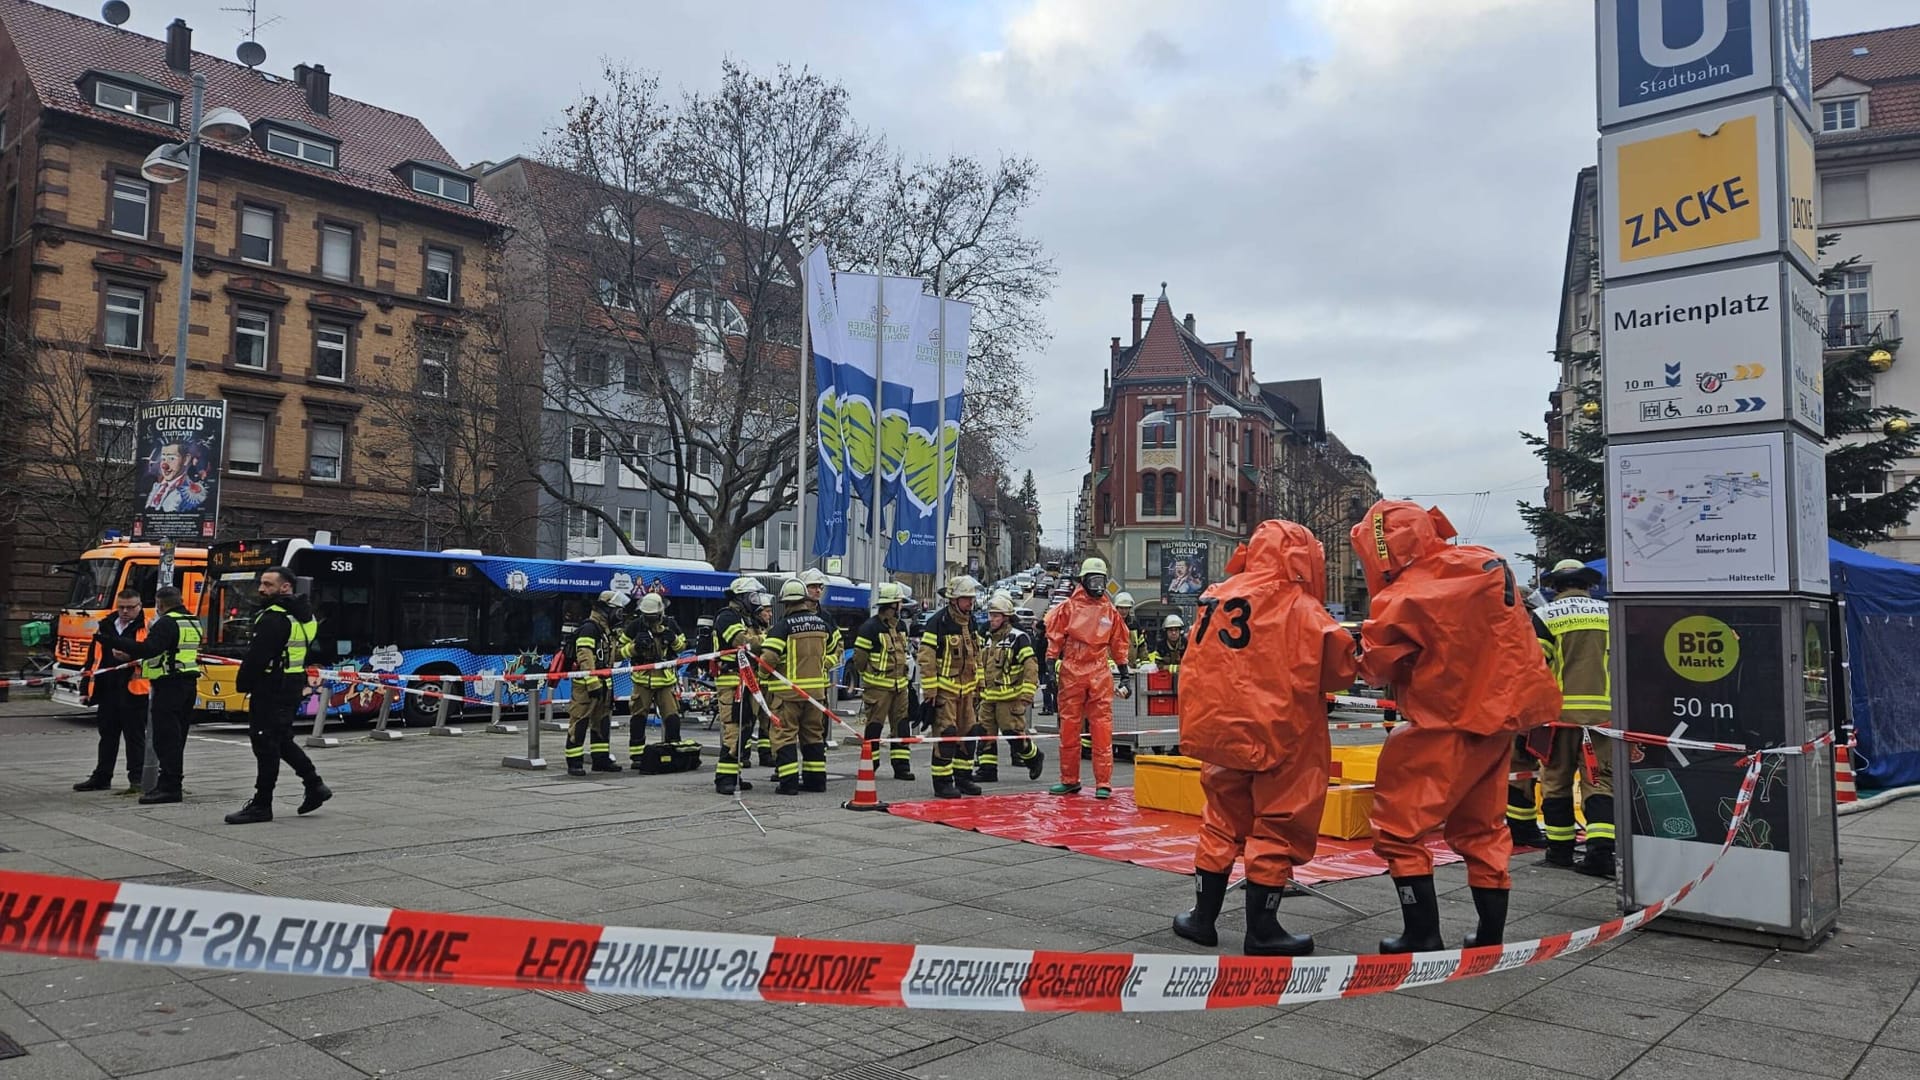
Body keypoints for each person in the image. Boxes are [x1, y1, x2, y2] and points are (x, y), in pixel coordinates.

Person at [1350, 500, 1561, 953]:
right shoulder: (1483, 565)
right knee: (1483, 828)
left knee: (1398, 828)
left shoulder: (1405, 595)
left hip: (1442, 722)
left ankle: (1420, 933)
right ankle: (1489, 936)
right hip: (1499, 719)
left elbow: (1377, 666)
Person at [1174, 520, 1358, 955]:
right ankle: (1263, 929)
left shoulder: (1217, 595)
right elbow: (1340, 669)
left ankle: (1202, 919)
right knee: (1276, 825)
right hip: (1282, 733)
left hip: (1222, 731)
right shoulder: (1300, 606)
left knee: (1219, 821)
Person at [227, 568, 332, 824]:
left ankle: (262, 804)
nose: (261, 589)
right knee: (280, 739)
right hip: (291, 683)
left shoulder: (274, 617)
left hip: (271, 686)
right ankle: (314, 784)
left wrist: (243, 683)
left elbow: (258, 656)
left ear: (285, 588)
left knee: (265, 743)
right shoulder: (303, 617)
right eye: (261, 583)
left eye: (268, 585)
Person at [1537, 559, 1616, 876]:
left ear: (1556, 586)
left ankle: (1560, 852)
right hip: (1606, 719)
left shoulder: (1543, 616)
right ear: (1588, 584)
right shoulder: (1610, 614)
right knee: (1599, 782)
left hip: (1557, 718)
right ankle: (1600, 854)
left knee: (1555, 781)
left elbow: (1535, 668)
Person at [94, 585, 201, 805]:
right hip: (187, 684)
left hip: (169, 686)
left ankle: (170, 787)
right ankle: (169, 784)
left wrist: (113, 642)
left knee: (165, 739)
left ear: (160, 604)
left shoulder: (167, 622)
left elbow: (150, 649)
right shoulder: (192, 621)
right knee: (177, 738)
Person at [1046, 558, 1131, 798]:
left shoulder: (1109, 611)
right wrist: (1050, 665)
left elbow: (1119, 644)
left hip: (1099, 671)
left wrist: (1124, 674)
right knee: (1069, 728)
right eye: (1093, 580)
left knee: (1102, 728)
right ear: (1083, 581)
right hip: (1073, 670)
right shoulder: (1069, 608)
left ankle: (1103, 783)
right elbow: (1055, 637)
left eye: (1100, 580)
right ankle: (1069, 779)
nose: (1097, 585)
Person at [761, 579, 836, 795]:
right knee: (813, 736)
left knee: (784, 737)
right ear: (804, 599)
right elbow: (833, 650)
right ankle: (816, 781)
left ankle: (789, 783)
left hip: (788, 694)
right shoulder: (822, 624)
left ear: (785, 603)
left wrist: (762, 676)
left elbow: (768, 658)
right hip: (815, 694)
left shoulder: (782, 627)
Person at [74, 588, 149, 794]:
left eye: (130, 607)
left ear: (139, 606)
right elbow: (92, 659)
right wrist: (85, 687)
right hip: (107, 688)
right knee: (107, 736)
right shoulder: (106, 626)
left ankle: (137, 778)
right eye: (121, 607)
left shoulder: (146, 627)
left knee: (134, 737)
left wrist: (130, 657)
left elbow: (151, 656)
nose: (125, 611)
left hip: (134, 690)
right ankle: (102, 776)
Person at [918, 575, 985, 798]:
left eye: (971, 599)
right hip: (945, 692)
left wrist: (980, 685)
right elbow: (926, 659)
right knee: (947, 735)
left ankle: (963, 778)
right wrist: (930, 691)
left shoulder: (972, 622)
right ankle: (943, 782)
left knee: (969, 734)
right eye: (966, 599)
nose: (970, 603)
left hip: (968, 692)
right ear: (954, 600)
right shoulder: (938, 622)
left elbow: (977, 656)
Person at [1505, 581, 1555, 848]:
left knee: (1522, 769)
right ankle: (1521, 829)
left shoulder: (1511, 627)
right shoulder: (1516, 629)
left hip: (1517, 708)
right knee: (1520, 769)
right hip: (1518, 710)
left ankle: (1520, 827)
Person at [851, 583, 916, 781]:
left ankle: (902, 766)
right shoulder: (870, 628)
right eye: (899, 602)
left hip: (900, 687)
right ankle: (870, 764)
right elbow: (859, 659)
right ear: (893, 605)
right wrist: (871, 677)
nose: (901, 606)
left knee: (902, 726)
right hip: (878, 688)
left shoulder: (901, 627)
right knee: (875, 727)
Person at [978, 592, 1045, 782]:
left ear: (1006, 617)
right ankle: (987, 770)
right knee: (985, 735)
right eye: (991, 615)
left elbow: (1030, 665)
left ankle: (1034, 757)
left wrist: (1028, 692)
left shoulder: (1019, 638)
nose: (992, 619)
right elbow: (982, 666)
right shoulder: (989, 639)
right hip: (989, 698)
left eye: (996, 616)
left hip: (1010, 698)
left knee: (1013, 735)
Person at [710, 576, 762, 795]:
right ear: (741, 598)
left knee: (746, 728)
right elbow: (746, 643)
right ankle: (724, 778)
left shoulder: (745, 619)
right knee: (733, 728)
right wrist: (762, 639)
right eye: (753, 596)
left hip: (746, 680)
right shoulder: (727, 617)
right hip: (731, 681)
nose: (756, 601)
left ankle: (735, 773)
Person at [563, 591, 624, 777]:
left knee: (602, 723)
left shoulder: (606, 631)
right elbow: (585, 655)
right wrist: (592, 682)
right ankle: (574, 762)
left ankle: (600, 759)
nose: (618, 614)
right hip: (586, 686)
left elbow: (612, 656)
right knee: (580, 721)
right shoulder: (589, 628)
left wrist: (634, 648)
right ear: (604, 610)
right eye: (615, 610)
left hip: (604, 684)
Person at [624, 592, 687, 770]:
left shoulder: (670, 624)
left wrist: (673, 639)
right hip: (642, 679)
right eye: (647, 616)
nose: (650, 620)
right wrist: (634, 647)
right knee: (638, 717)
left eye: (653, 616)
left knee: (672, 717)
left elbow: (682, 646)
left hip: (665, 680)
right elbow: (619, 651)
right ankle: (637, 755)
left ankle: (673, 750)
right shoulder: (635, 626)